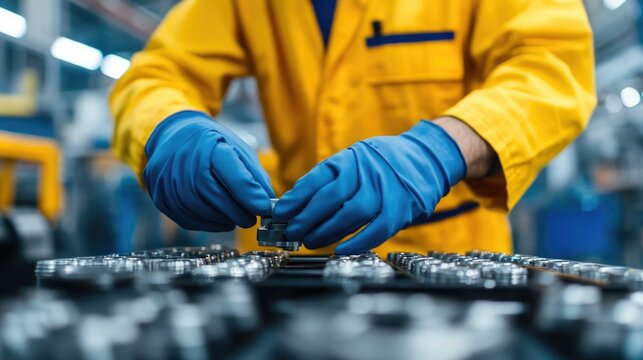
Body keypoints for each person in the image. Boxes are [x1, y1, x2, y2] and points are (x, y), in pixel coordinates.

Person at [109, 0, 596, 256]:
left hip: (450, 267)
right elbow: (158, 74)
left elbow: (552, 66)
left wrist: (442, 148)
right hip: (293, 264)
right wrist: (170, 127)